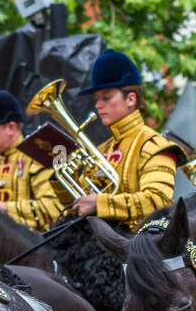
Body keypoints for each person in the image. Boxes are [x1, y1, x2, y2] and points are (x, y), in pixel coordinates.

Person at [71, 49, 178, 227]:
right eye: (96, 99)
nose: (98, 105)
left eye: (106, 97)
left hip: (139, 247)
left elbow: (157, 201)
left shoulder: (154, 144)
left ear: (131, 99)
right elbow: (76, 203)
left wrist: (99, 204)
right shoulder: (102, 149)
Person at [0, 89, 63, 230]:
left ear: (11, 128)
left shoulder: (37, 156)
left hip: (34, 246)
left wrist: (5, 208)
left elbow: (54, 208)